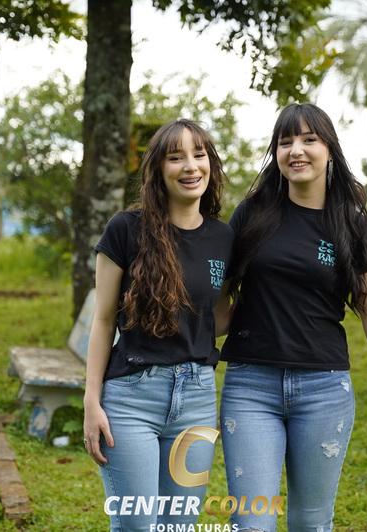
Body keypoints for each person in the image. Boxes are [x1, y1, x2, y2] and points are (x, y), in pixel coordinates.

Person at [220, 103, 367, 532]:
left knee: (311, 522)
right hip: (250, 387)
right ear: (276, 153)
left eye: (308, 140)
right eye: (285, 142)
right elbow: (216, 299)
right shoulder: (251, 215)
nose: (296, 150)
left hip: (323, 391)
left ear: (330, 150)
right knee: (251, 521)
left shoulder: (354, 227)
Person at [83, 119, 233, 532]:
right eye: (176, 157)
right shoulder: (125, 229)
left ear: (211, 164)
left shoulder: (223, 238)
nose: (190, 166)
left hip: (197, 398)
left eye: (199, 155)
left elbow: (217, 316)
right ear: (158, 169)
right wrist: (91, 400)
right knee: (136, 524)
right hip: (132, 398)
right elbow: (103, 320)